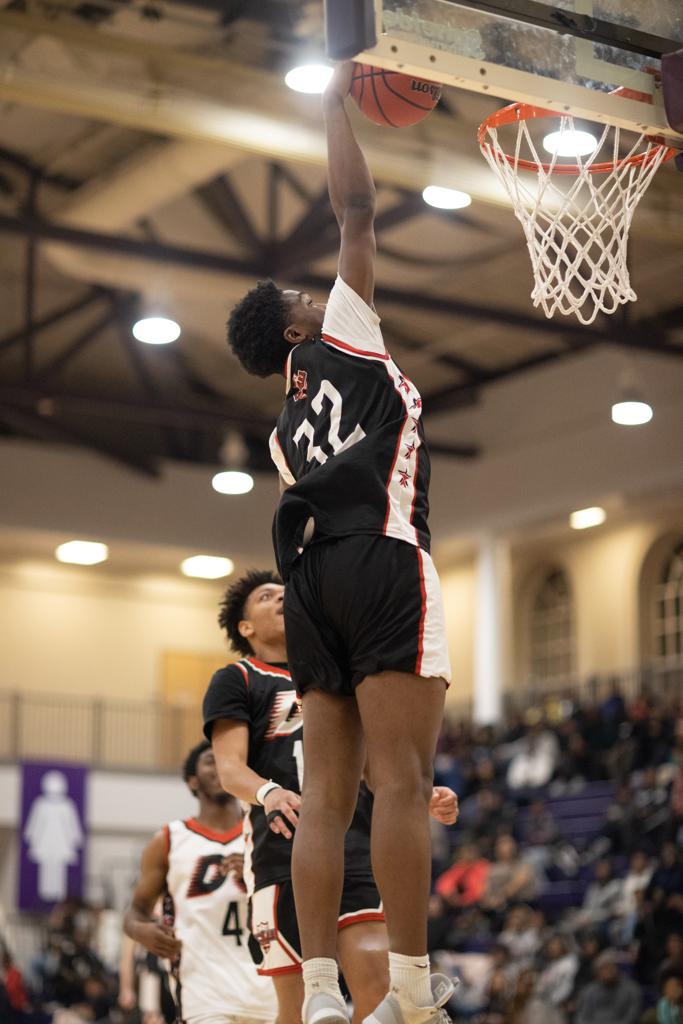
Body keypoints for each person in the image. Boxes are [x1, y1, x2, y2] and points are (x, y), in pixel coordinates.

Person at [224, 61, 453, 1024]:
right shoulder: (344, 336)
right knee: (400, 782)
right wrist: (331, 106)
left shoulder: (280, 433)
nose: (318, 298)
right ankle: (407, 989)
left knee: (326, 799)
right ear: (291, 325)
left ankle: (320, 991)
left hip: (312, 578)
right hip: (383, 555)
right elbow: (357, 211)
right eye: (301, 300)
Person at [204, 570, 458, 1024]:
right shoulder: (238, 678)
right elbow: (229, 768)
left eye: (287, 595)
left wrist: (419, 794)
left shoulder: (339, 673)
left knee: (379, 987)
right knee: (300, 1009)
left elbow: (371, 764)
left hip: (357, 843)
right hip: (280, 850)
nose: (282, 600)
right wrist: (269, 791)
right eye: (267, 597)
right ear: (245, 627)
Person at [124, 742, 277, 1024]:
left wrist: (256, 875)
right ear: (192, 780)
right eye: (210, 761)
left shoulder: (265, 832)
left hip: (269, 989)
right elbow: (135, 912)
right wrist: (143, 932)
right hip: (203, 993)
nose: (220, 767)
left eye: (225, 761)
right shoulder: (168, 839)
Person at [575, 950, 641, 1024]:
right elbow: (582, 1018)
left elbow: (632, 1017)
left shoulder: (631, 989)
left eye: (610, 967)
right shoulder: (589, 991)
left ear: (617, 969)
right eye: (603, 969)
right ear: (597, 973)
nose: (608, 972)